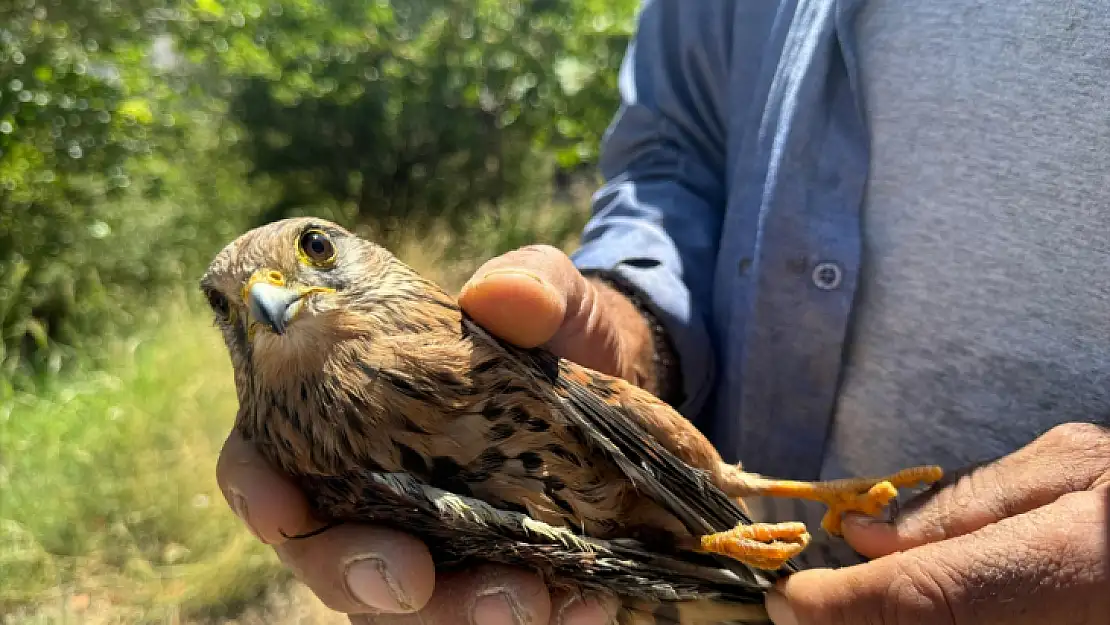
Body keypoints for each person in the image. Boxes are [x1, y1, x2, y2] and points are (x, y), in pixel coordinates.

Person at [215, 0, 1110, 623]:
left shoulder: (452, 339)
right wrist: (631, 321)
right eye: (231, 307)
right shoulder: (319, 458)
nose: (269, 295)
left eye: (315, 250)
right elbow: (671, 162)